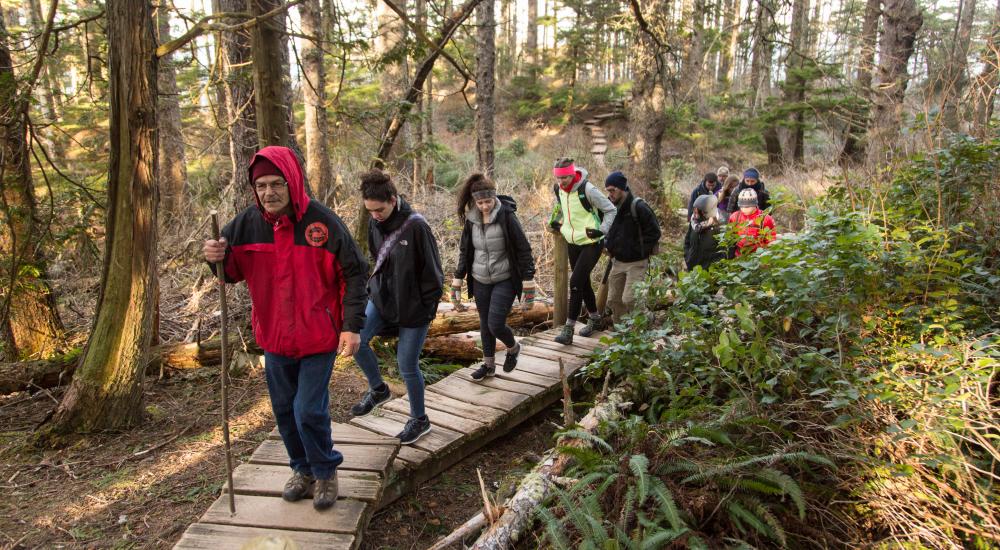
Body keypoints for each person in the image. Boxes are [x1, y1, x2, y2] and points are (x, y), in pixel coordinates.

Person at [202, 146, 368, 511]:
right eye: (261, 185)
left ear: (292, 182)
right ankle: (302, 469)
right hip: (275, 338)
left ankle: (325, 471)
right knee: (283, 409)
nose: (269, 192)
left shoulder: (322, 223)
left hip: (318, 335)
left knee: (308, 409)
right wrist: (214, 257)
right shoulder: (246, 225)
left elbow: (356, 273)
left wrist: (351, 327)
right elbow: (228, 273)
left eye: (276, 183)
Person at [351, 170, 444, 445]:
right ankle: (379, 390)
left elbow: (434, 275)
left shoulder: (416, 227)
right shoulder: (373, 222)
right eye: (370, 210)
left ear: (393, 200)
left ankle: (419, 419)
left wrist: (425, 307)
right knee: (357, 340)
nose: (375, 215)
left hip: (415, 307)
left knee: (407, 365)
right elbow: (375, 257)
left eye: (379, 209)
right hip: (382, 299)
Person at [451, 174, 536, 380]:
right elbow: (465, 251)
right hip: (480, 279)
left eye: (488, 201)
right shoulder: (471, 220)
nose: (484, 206)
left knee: (495, 324)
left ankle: (513, 347)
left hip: (504, 278)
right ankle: (488, 366)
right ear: (474, 201)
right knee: (484, 324)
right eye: (480, 202)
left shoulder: (507, 216)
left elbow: (523, 249)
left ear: (494, 197)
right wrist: (457, 279)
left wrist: (528, 281)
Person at [548, 158, 617, 345]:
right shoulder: (558, 189)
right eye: (558, 178)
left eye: (565, 178)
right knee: (583, 281)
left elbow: (611, 210)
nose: (561, 182)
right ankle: (595, 319)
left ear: (573, 174)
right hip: (572, 240)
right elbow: (561, 207)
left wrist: (602, 230)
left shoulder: (588, 189)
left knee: (575, 281)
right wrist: (556, 220)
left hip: (592, 241)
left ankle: (568, 329)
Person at [603, 171, 661, 323]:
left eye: (612, 190)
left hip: (637, 262)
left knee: (630, 299)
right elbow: (609, 230)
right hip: (618, 261)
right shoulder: (610, 208)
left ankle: (648, 319)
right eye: (608, 191)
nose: (610, 194)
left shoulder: (639, 206)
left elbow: (655, 232)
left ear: (622, 188)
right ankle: (622, 332)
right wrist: (609, 245)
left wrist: (638, 250)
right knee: (614, 300)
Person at [728, 188, 776, 257]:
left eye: (748, 207)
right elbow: (730, 237)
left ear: (755, 204)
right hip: (739, 256)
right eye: (742, 206)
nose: (744, 209)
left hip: (759, 256)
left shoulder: (765, 218)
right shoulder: (734, 217)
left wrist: (766, 256)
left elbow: (771, 239)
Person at [684, 194, 725, 270]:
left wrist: (713, 269)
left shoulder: (721, 226)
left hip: (710, 272)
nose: (695, 214)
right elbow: (687, 241)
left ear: (707, 212)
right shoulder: (694, 222)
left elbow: (723, 252)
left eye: (698, 211)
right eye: (694, 209)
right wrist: (687, 257)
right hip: (692, 268)